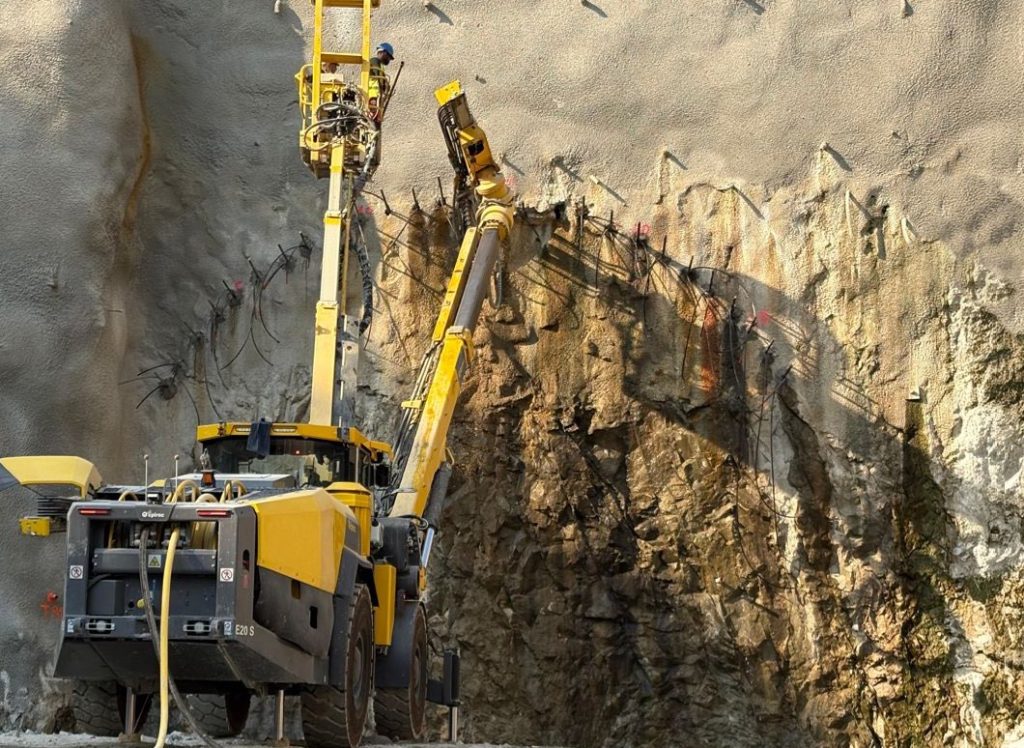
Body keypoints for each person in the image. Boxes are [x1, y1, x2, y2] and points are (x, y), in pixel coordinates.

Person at [367, 42, 394, 125]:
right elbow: (377, 76)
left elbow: (381, 79)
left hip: (376, 98)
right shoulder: (374, 61)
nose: (389, 60)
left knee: (375, 124)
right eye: (389, 57)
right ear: (384, 52)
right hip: (372, 96)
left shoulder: (380, 65)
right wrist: (384, 85)